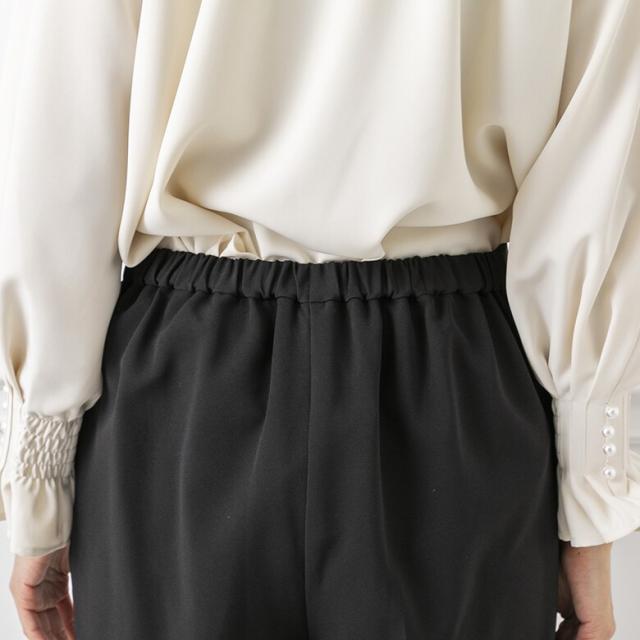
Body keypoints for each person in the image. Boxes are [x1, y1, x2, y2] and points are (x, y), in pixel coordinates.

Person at [1, 1, 639, 639]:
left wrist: (40, 482)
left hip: (185, 383)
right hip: (453, 380)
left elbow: (67, 116)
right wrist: (590, 497)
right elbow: (597, 140)